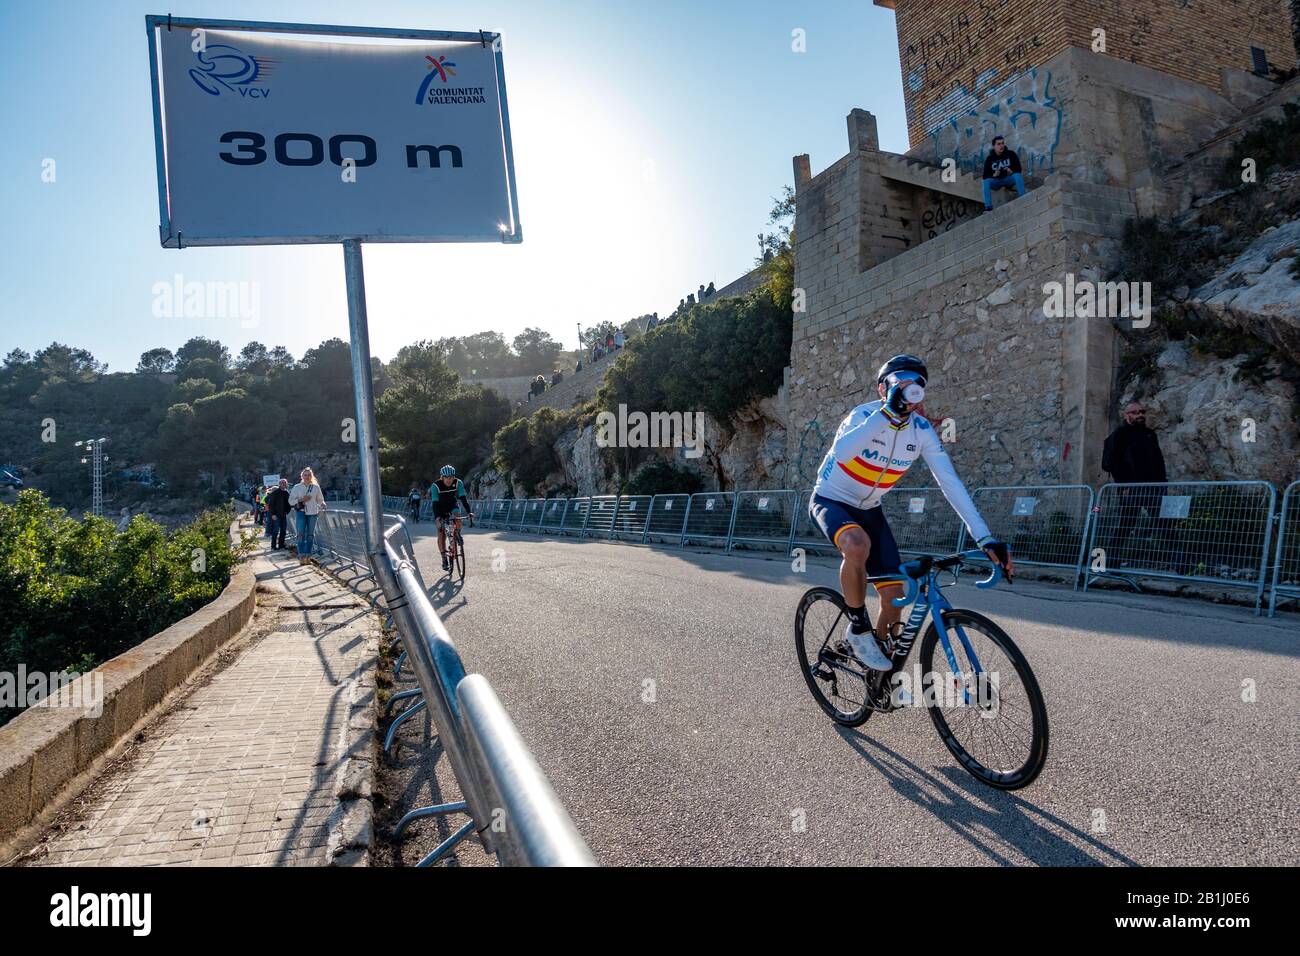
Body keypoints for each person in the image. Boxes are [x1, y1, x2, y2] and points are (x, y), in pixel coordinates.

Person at [809, 354, 1012, 671]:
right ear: (882, 389)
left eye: (918, 384)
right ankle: (857, 626)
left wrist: (984, 536)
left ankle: (875, 673)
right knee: (856, 544)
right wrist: (886, 414)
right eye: (901, 382)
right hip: (832, 499)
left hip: (870, 510)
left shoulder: (921, 431)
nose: (911, 389)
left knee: (894, 598)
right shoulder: (862, 415)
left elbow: (950, 483)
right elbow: (843, 452)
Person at [1102, 401, 1170, 562]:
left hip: (1154, 488)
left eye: (1142, 412)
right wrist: (1124, 484)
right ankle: (1110, 562)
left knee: (1165, 525)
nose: (1140, 415)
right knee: (1125, 526)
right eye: (1135, 412)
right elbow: (1110, 462)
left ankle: (1183, 566)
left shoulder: (1149, 434)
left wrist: (1163, 483)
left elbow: (1158, 461)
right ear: (1127, 415)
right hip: (1131, 489)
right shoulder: (1118, 435)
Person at [428, 465, 474, 572]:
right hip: (440, 507)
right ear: (442, 477)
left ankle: (457, 534)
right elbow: (435, 504)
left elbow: (463, 499)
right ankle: (444, 558)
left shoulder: (458, 483)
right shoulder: (435, 486)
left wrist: (469, 512)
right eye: (446, 477)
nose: (449, 480)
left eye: (451, 477)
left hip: (452, 505)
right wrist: (437, 518)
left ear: (454, 477)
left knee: (457, 516)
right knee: (441, 533)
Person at [288, 467, 327, 563]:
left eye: (309, 475)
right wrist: (301, 500)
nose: (307, 476)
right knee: (300, 534)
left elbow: (320, 499)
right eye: (305, 475)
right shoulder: (297, 487)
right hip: (300, 512)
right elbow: (291, 501)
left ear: (311, 476)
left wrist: (322, 503)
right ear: (302, 476)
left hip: (313, 513)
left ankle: (308, 556)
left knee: (310, 535)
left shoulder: (315, 487)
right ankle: (301, 556)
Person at [982, 135, 1026, 211]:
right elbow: (985, 175)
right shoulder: (989, 159)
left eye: (1002, 143)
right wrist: (994, 175)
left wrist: (1011, 171)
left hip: (1008, 178)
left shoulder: (1011, 154)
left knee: (1017, 175)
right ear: (994, 146)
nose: (1001, 146)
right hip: (997, 181)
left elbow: (1018, 168)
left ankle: (1023, 198)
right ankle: (988, 207)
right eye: (998, 144)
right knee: (986, 182)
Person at [265, 478, 291, 550]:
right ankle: (273, 546)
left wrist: (287, 511)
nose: (284, 484)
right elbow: (271, 504)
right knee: (275, 530)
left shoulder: (286, 493)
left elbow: (288, 503)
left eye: (285, 483)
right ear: (279, 484)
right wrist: (273, 514)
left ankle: (281, 545)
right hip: (276, 515)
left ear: (286, 484)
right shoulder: (275, 492)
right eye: (282, 483)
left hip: (283, 514)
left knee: (283, 530)